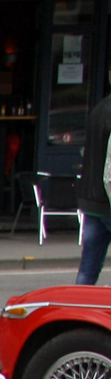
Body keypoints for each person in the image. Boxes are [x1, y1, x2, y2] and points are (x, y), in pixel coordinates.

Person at [77, 86, 111, 284]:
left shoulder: (99, 109)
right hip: (106, 199)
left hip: (92, 200)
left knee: (88, 269)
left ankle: (76, 308)